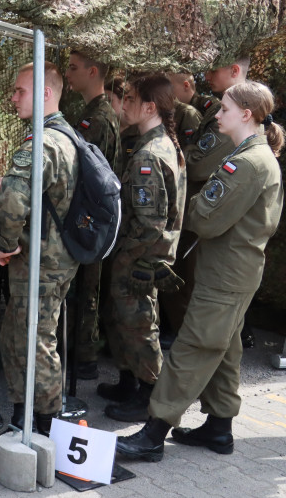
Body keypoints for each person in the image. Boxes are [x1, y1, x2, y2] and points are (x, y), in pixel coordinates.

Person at [116, 81, 284, 461]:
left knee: (193, 346)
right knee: (224, 346)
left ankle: (154, 433)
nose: (218, 115)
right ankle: (219, 427)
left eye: (225, 109)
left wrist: (182, 203)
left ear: (246, 114)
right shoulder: (252, 155)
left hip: (226, 275)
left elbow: (205, 220)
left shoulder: (247, 163)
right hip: (234, 271)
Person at [0, 61, 79, 457]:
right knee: (25, 337)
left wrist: (6, 242)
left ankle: (42, 432)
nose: (13, 98)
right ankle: (26, 422)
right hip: (55, 258)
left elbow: (15, 203)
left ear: (45, 94)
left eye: (20, 91)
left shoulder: (40, 143)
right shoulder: (64, 137)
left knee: (33, 342)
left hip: (39, 262)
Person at [100, 74, 187, 422]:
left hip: (141, 255)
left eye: (132, 98)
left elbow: (150, 223)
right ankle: (129, 382)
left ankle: (149, 395)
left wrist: (124, 251)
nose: (126, 103)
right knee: (124, 318)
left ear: (150, 107)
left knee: (139, 324)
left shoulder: (149, 154)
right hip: (145, 253)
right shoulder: (159, 143)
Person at [168, 58, 253, 346]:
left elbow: (199, 165)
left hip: (210, 213)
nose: (207, 75)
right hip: (208, 210)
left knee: (196, 281)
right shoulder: (218, 110)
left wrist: (179, 149)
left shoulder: (228, 115)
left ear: (235, 71)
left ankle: (193, 343)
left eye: (214, 69)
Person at [63, 51, 120, 381]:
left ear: (93, 71)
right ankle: (82, 353)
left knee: (87, 286)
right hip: (93, 212)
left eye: (74, 68)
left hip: (91, 214)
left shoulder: (97, 117)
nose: (70, 74)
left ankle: (83, 356)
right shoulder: (92, 112)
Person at [167, 71, 203, 145]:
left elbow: (191, 149)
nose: (168, 92)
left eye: (170, 88)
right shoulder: (177, 110)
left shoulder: (188, 112)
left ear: (186, 86)